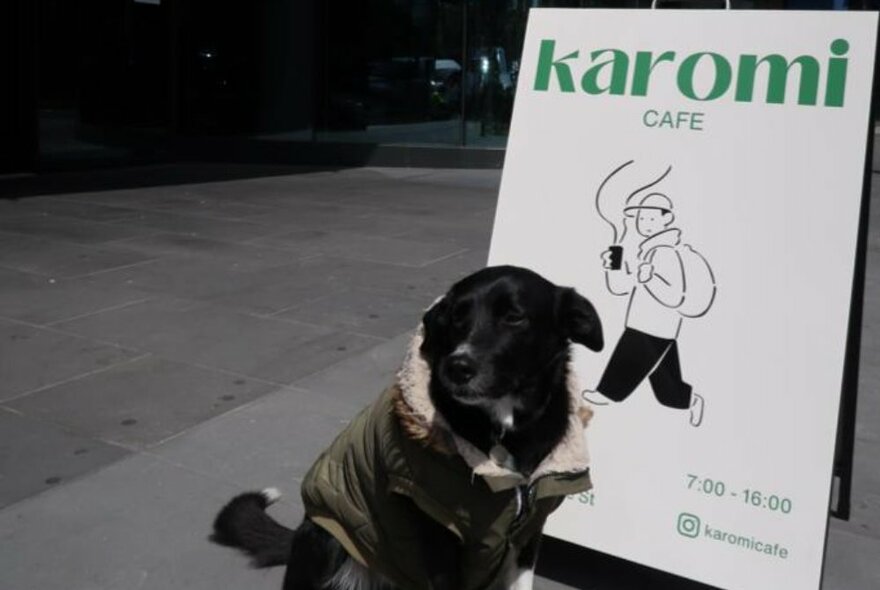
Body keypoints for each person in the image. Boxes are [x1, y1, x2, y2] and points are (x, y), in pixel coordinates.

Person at [583, 192, 706, 427]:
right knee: (668, 394)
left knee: (629, 354)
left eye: (651, 219)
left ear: (666, 220)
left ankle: (608, 392)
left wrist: (651, 279)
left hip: (655, 325)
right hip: (647, 322)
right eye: (641, 219)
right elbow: (621, 287)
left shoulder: (666, 252)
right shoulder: (647, 250)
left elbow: (674, 295)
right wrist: (615, 265)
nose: (645, 224)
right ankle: (690, 399)